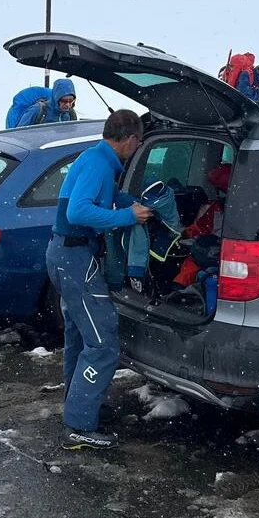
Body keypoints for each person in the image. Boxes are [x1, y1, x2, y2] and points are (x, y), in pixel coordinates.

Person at [47, 109, 153, 450]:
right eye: (138, 142)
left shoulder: (95, 159)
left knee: (79, 336)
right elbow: (78, 211)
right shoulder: (98, 163)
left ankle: (80, 405)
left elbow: (90, 201)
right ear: (131, 139)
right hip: (75, 258)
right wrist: (125, 216)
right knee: (104, 343)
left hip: (65, 255)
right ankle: (78, 426)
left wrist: (127, 202)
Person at [8, 78, 79, 128]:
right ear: (56, 98)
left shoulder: (70, 114)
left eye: (71, 101)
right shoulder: (38, 110)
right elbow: (19, 133)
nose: (68, 105)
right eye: (64, 101)